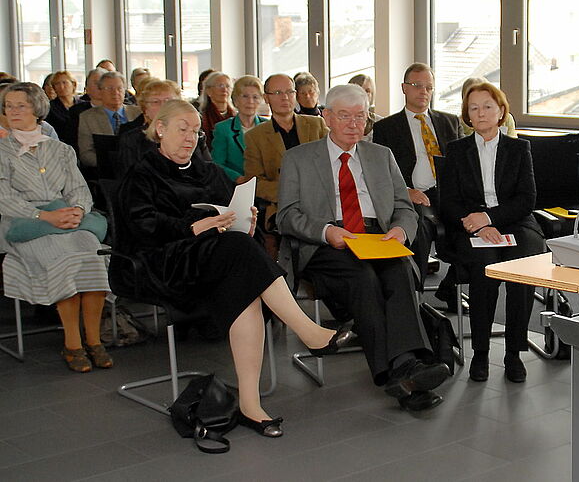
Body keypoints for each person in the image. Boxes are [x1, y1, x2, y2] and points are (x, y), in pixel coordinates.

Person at [118, 100, 342, 437]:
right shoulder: (141, 174)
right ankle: (307, 332)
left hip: (215, 258)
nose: (190, 138)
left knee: (242, 271)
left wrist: (246, 220)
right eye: (182, 129)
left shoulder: (209, 172)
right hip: (163, 262)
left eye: (196, 131)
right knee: (240, 258)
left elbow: (232, 214)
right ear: (160, 129)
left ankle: (251, 405)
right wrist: (193, 227)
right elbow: (142, 227)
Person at [277, 84, 449, 412]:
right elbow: (285, 216)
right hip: (327, 241)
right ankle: (404, 371)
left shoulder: (381, 155)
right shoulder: (299, 158)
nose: (354, 124)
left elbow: (404, 206)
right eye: (345, 116)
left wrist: (401, 230)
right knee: (364, 278)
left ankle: (403, 374)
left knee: (399, 269)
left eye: (361, 116)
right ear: (327, 117)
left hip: (377, 236)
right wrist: (327, 232)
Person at [0, 83, 112, 373]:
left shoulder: (61, 150)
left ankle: (94, 341)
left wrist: (77, 211)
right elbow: (4, 200)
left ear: (37, 109)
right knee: (64, 258)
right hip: (24, 223)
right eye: (9, 106)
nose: (13, 111)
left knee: (94, 256)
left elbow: (78, 190)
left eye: (20, 105)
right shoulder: (2, 151)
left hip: (65, 217)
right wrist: (45, 216)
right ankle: (72, 344)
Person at [439, 82, 546, 383]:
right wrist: (478, 223)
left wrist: (490, 218)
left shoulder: (519, 148)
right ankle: (481, 353)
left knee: (522, 266)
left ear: (500, 112)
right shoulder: (456, 150)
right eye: (474, 108)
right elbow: (448, 201)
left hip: (514, 221)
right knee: (484, 268)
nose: (481, 113)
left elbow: (527, 199)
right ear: (467, 115)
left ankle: (514, 353)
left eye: (487, 106)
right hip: (471, 224)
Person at [372, 63, 463, 300]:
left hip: (448, 194)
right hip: (412, 195)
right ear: (404, 88)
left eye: (429, 87)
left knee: (475, 226)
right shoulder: (386, 127)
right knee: (418, 228)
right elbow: (379, 172)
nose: (424, 92)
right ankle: (415, 298)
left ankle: (450, 287)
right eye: (417, 85)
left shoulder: (450, 122)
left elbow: (463, 163)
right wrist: (405, 191)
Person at [243, 73, 327, 230]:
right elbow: (254, 182)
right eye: (277, 93)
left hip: (321, 199)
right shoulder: (254, 136)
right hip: (282, 204)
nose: (285, 97)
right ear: (266, 98)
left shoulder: (317, 125)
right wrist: (293, 193)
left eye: (290, 92)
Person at [116, 78, 211, 179]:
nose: (163, 106)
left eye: (169, 101)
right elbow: (130, 178)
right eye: (155, 102)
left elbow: (208, 172)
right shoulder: (131, 140)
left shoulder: (194, 135)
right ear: (145, 110)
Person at [77, 71, 141, 169]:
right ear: (100, 91)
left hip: (138, 170)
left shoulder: (138, 113)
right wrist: (113, 164)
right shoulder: (88, 117)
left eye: (119, 88)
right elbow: (86, 154)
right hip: (105, 171)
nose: (115, 92)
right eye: (110, 88)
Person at [212, 75, 266, 183]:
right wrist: (238, 178)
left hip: (265, 184)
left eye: (255, 97)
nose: (250, 101)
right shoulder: (222, 129)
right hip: (235, 185)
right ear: (235, 100)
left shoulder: (268, 126)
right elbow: (217, 164)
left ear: (260, 100)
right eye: (245, 96)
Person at [64, 67, 107, 151]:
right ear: (87, 89)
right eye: (96, 83)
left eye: (103, 83)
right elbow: (72, 142)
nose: (100, 86)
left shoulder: (119, 110)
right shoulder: (76, 112)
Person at [198, 71, 235, 144]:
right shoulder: (202, 118)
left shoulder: (236, 116)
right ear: (208, 91)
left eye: (228, 86)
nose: (225, 90)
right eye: (220, 86)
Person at [45, 70, 80, 141]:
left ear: (73, 84)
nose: (61, 86)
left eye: (64, 82)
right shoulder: (49, 107)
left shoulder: (83, 105)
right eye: (57, 84)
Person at [348, 73, 382, 138]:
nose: (363, 94)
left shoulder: (381, 123)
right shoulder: (339, 121)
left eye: (367, 91)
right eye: (359, 90)